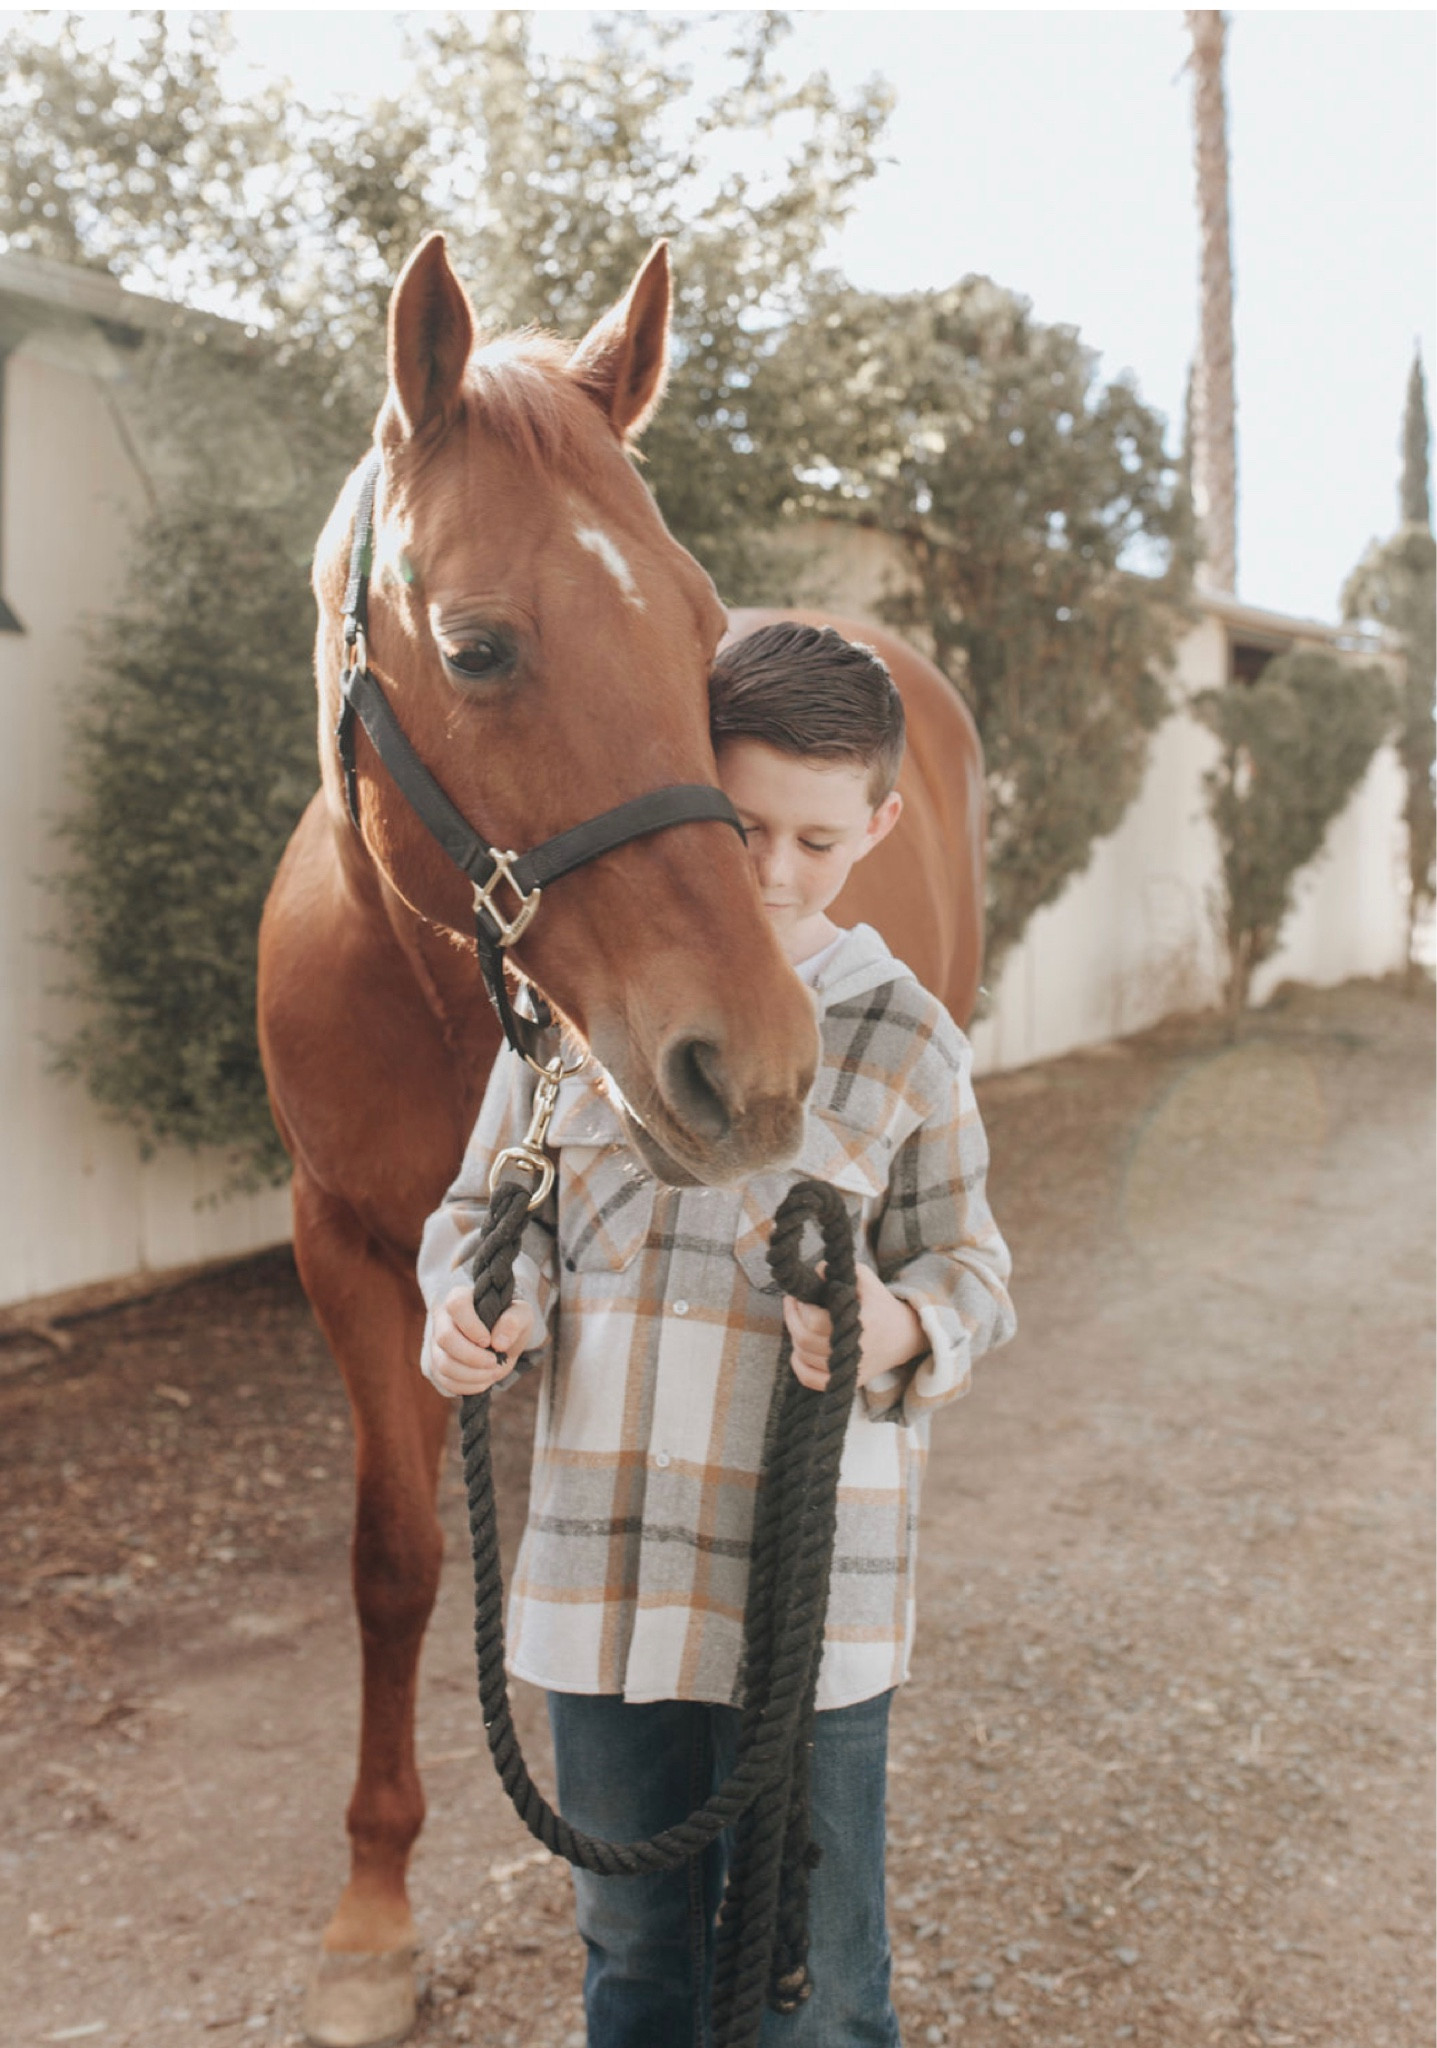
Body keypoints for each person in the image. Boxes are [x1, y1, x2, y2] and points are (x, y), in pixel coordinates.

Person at [418, 621, 1016, 2048]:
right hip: (601, 1591)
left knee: (816, 1964)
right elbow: (491, 1216)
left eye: (816, 840)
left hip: (802, 1614)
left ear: (874, 826)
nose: (772, 872)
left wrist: (893, 1324)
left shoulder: (906, 1041)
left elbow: (972, 1269)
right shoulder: (573, 1018)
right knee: (632, 1954)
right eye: (742, 825)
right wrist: (479, 1305)